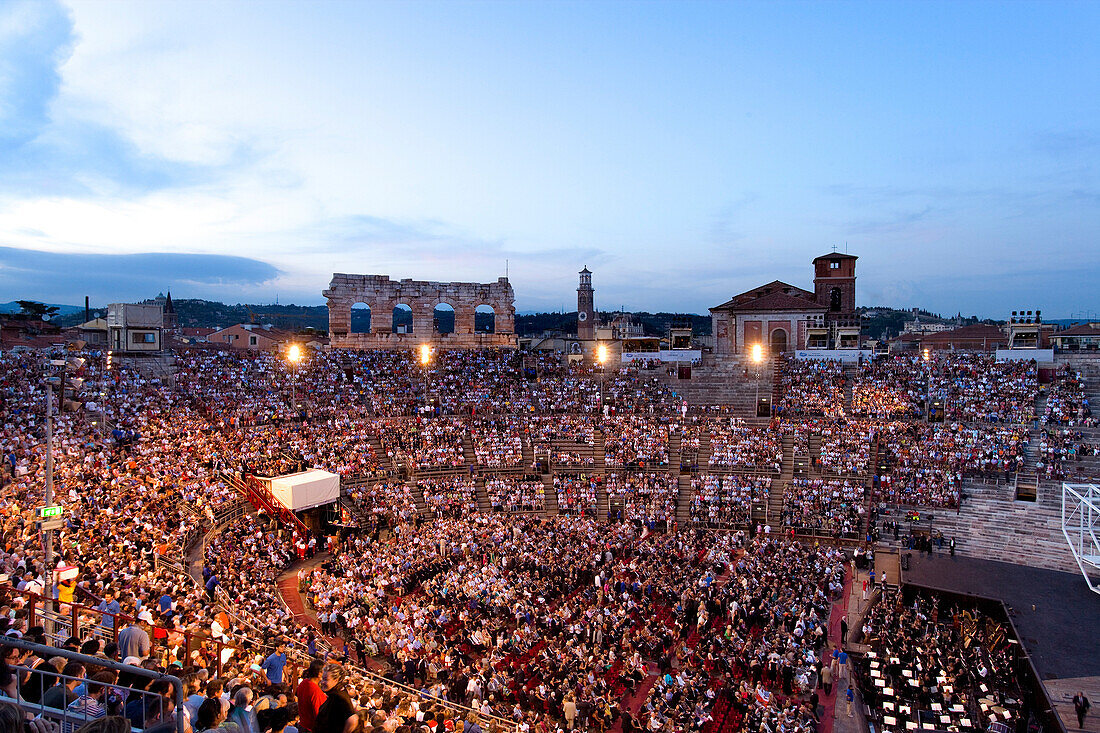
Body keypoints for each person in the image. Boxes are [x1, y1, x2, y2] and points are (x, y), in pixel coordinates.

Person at [314, 664, 357, 733]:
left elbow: (353, 719)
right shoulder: (335, 694)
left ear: (336, 680)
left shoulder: (339, 697)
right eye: (322, 679)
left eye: (325, 679)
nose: (322, 682)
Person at [295, 660, 326, 733]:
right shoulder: (316, 691)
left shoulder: (303, 683)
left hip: (302, 725)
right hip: (310, 729)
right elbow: (318, 715)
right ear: (319, 674)